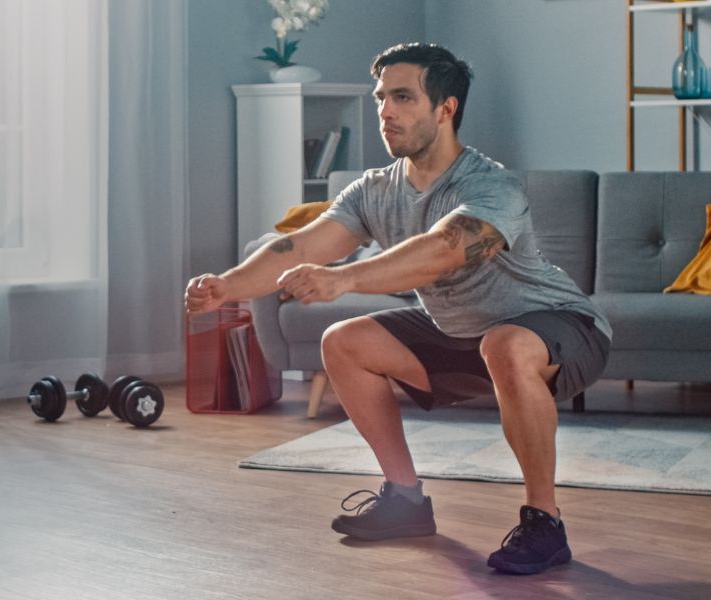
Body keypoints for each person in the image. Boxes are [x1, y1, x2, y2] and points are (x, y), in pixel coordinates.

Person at [185, 42, 611, 575]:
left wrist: (343, 278)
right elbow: (303, 244)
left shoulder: (490, 185)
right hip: (463, 334)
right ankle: (405, 501)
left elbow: (445, 250)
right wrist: (226, 286)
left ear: (446, 108)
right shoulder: (376, 190)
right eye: (381, 97)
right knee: (344, 341)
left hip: (562, 328)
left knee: (503, 343)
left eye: (403, 97)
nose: (386, 110)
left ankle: (544, 524)